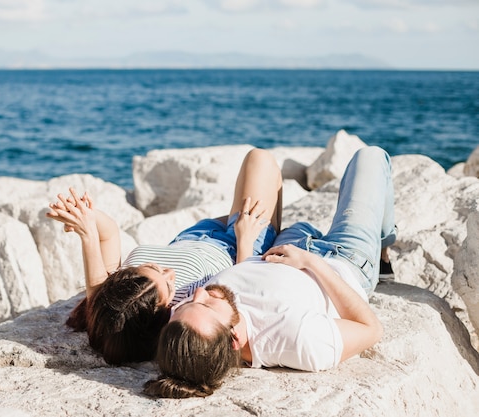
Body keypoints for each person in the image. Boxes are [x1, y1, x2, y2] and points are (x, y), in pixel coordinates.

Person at [144, 146, 396, 398]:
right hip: (342, 261)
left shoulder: (206, 319)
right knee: (370, 157)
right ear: (235, 340)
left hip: (285, 247)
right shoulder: (297, 340)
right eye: (206, 305)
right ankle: (383, 251)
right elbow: (370, 329)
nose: (199, 292)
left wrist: (246, 247)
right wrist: (311, 262)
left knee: (259, 160)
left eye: (187, 304)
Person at [46, 148, 283, 364]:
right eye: (169, 285)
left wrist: (85, 219)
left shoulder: (126, 300)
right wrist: (245, 240)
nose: (169, 272)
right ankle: (275, 233)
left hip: (198, 234)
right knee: (260, 159)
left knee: (260, 169)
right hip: (239, 244)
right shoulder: (182, 315)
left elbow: (106, 240)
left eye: (153, 267)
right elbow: (240, 302)